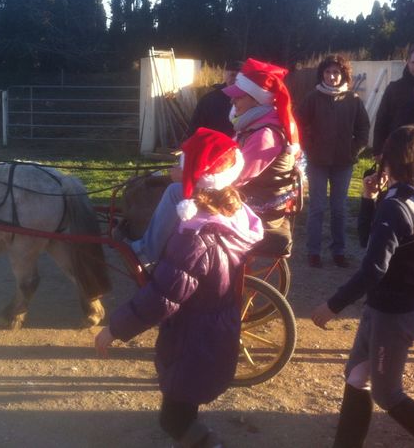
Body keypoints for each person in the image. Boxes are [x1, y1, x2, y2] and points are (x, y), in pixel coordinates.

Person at [95, 128, 264, 447]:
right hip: (213, 332)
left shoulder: (193, 240)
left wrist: (114, 329)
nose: (173, 169)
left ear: (196, 178)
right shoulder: (234, 213)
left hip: (193, 340)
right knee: (184, 409)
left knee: (172, 418)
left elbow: (162, 298)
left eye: (181, 164)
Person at [311, 125, 414, 448]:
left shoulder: (399, 205)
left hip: (393, 313)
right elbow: (369, 240)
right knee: (356, 377)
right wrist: (367, 199)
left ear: (390, 160)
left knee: (387, 394)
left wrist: (333, 305)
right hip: (391, 307)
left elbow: (374, 268)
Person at [126, 58, 299, 267]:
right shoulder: (255, 126)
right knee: (169, 183)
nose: (233, 101)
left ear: (256, 99)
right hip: (252, 195)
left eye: (239, 97)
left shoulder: (265, 135)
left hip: (255, 205)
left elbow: (236, 178)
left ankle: (147, 252)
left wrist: (187, 176)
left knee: (174, 192)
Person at [295, 55, 370, 268]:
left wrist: (355, 148)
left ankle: (339, 251)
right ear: (322, 74)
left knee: (339, 208)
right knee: (317, 207)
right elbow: (298, 124)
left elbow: (363, 128)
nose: (332, 76)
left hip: (343, 162)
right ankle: (314, 251)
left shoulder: (353, 99)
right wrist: (308, 145)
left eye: (336, 72)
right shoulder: (313, 97)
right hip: (317, 161)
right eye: (328, 72)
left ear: (343, 74)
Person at [372, 43, 414, 158]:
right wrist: (378, 150)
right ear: (407, 62)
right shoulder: (394, 88)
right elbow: (382, 120)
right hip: (396, 149)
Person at [185, 61, 243, 138]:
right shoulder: (209, 100)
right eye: (232, 75)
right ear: (224, 75)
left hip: (239, 146)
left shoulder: (249, 101)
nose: (236, 79)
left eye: (239, 76)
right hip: (214, 145)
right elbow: (195, 128)